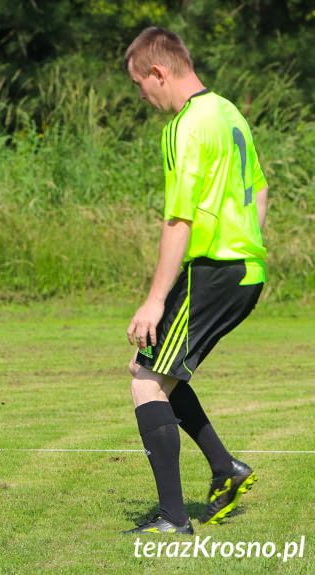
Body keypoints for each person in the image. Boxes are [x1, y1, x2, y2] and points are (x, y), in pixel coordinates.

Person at [121, 27, 268, 534]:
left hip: (216, 270)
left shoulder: (188, 125)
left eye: (141, 84)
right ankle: (226, 469)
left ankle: (173, 520)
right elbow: (261, 190)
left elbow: (177, 220)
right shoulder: (228, 112)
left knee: (145, 382)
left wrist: (154, 299)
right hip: (244, 269)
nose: (142, 96)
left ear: (159, 71)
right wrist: (249, 247)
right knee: (160, 370)